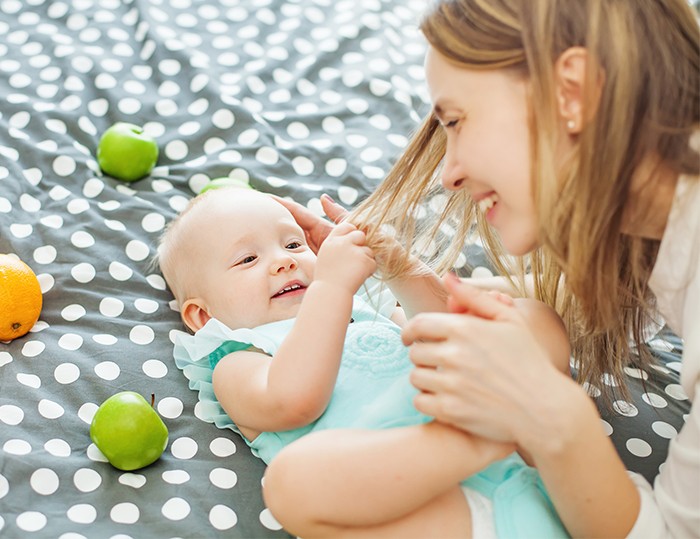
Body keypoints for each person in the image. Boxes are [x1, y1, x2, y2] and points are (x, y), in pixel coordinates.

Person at [275, 0, 700, 537]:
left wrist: (548, 417)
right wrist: (400, 269)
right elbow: (561, 303)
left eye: (455, 120)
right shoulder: (656, 228)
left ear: (572, 92)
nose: (449, 173)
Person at [159, 187, 573, 538]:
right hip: (437, 516)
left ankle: (506, 428)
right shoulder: (238, 358)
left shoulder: (365, 309)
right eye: (247, 259)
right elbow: (295, 401)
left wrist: (394, 265)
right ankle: (485, 434)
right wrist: (332, 286)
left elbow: (443, 322)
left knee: (533, 320)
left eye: (292, 245)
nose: (284, 261)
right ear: (203, 316)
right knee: (294, 480)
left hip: (531, 481)